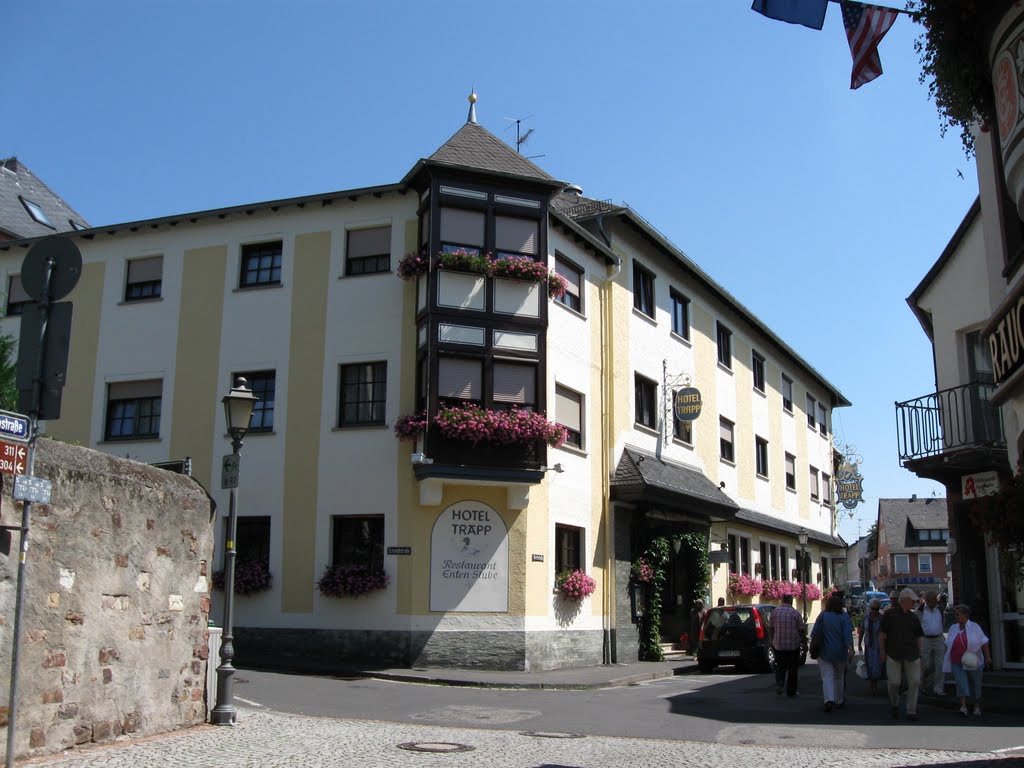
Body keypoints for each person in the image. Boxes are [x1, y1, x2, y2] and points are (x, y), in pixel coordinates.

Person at [880, 587, 925, 721]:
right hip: (893, 653)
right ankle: (894, 704)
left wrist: (920, 653)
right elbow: (882, 634)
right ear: (904, 600)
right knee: (894, 683)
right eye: (912, 601)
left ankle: (911, 710)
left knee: (915, 681)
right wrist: (882, 651)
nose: (914, 603)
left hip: (912, 654)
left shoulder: (913, 617)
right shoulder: (890, 615)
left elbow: (918, 636)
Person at [943, 604, 992, 717]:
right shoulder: (953, 628)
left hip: (973, 660)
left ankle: (977, 706)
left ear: (965, 615)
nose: (955, 617)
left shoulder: (975, 627)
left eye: (957, 614)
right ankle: (963, 706)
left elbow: (984, 642)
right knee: (961, 683)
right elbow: (948, 643)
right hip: (957, 660)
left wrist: (987, 657)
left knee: (976, 683)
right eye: (955, 615)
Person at [811, 594, 854, 712]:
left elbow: (815, 632)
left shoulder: (823, 615)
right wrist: (850, 648)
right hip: (840, 652)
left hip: (824, 651)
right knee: (839, 676)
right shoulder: (844, 617)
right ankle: (839, 699)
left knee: (827, 676)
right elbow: (847, 634)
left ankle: (828, 699)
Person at [768, 594, 805, 698]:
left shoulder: (774, 612)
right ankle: (791, 690)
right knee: (793, 668)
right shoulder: (795, 613)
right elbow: (801, 629)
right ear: (791, 601)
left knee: (780, 666)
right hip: (793, 645)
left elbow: (771, 628)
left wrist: (772, 640)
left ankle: (780, 682)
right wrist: (804, 641)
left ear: (782, 600)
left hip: (778, 644)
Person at [918, 590, 946, 697]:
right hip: (925, 639)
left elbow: (942, 622)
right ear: (926, 600)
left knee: (940, 664)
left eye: (934, 600)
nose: (933, 603)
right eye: (930, 601)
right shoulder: (920, 611)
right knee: (926, 664)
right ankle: (922, 683)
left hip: (938, 638)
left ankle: (938, 688)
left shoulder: (940, 610)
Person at [857, 597, 884, 694]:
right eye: (873, 608)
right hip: (869, 644)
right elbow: (862, 631)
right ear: (870, 608)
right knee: (869, 664)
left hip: (879, 645)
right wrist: (859, 644)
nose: (874, 611)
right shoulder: (865, 617)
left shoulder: (882, 618)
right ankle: (871, 683)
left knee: (877, 665)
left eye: (876, 609)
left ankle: (875, 684)